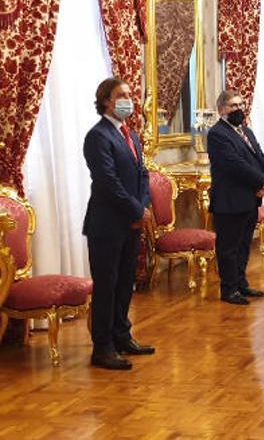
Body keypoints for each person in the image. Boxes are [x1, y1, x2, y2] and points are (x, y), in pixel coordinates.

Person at [83, 77, 154, 370]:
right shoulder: (98, 136)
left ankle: (122, 335)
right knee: (107, 286)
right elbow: (107, 182)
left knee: (126, 283)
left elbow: (142, 175)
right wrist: (137, 209)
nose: (128, 99)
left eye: (129, 94)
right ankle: (102, 348)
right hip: (107, 225)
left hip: (132, 223)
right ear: (106, 101)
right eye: (121, 95)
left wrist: (144, 205)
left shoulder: (131, 134)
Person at [207, 90, 264, 305]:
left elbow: (260, 156)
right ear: (221, 109)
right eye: (233, 105)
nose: (239, 109)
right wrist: (261, 181)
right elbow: (234, 164)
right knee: (229, 248)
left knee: (244, 244)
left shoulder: (246, 131)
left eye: (241, 104)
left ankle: (241, 283)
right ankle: (229, 289)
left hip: (250, 198)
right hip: (230, 200)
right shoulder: (217, 134)